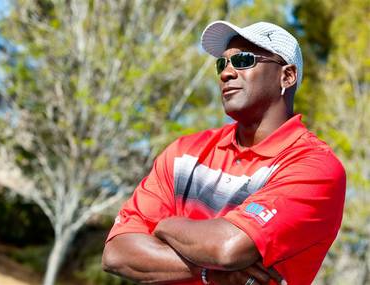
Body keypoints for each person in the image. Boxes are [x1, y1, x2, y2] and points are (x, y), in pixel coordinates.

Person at [102, 20, 346, 285]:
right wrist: (208, 271)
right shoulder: (185, 152)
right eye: (222, 63)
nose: (226, 73)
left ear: (286, 76)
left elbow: (228, 248)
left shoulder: (314, 166)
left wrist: (166, 226)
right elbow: (117, 253)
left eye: (243, 60)